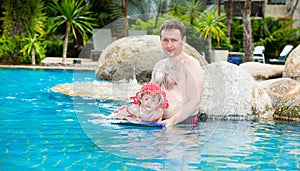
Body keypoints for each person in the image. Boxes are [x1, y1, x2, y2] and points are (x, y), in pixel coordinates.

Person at [151, 19, 204, 128]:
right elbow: (149, 96)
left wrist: (172, 120)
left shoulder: (191, 65)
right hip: (159, 123)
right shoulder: (158, 66)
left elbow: (194, 102)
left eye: (174, 40)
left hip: (184, 125)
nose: (169, 45)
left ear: (183, 40)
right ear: (160, 40)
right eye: (165, 40)